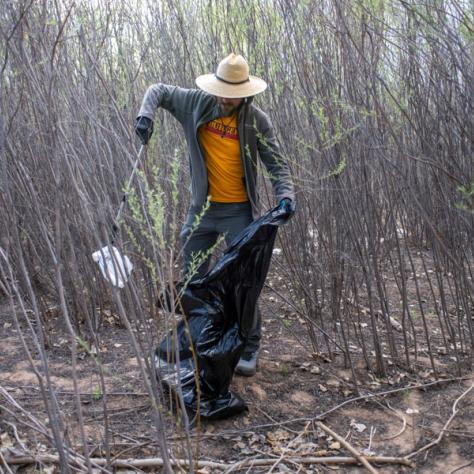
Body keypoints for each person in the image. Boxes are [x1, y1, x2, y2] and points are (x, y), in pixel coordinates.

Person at [135, 53, 295, 376]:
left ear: (244, 93)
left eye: (232, 95)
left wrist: (286, 197)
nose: (225, 99)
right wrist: (146, 116)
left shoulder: (256, 121)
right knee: (194, 281)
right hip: (202, 211)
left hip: (238, 212)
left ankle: (249, 349)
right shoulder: (195, 103)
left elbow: (277, 165)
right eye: (222, 91)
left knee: (242, 281)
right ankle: (197, 344)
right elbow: (158, 90)